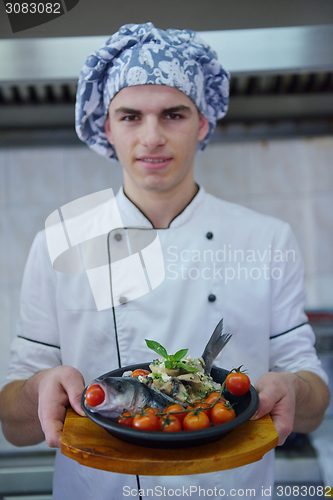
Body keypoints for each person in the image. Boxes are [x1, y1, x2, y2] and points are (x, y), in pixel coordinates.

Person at [0, 22, 330, 500]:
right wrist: (37, 391)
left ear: (202, 123)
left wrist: (298, 391)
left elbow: (313, 397)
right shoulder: (60, 241)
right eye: (131, 116)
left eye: (173, 114)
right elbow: (15, 426)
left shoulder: (266, 240)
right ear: (106, 126)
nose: (152, 137)